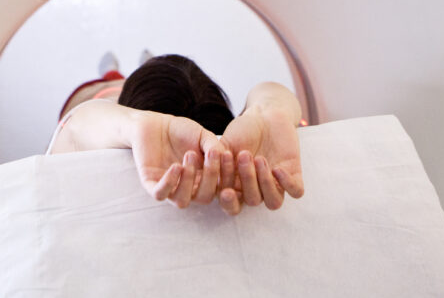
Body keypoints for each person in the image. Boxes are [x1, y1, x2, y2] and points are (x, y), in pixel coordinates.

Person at [48, 54, 305, 216]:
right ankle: (115, 73)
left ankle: (138, 66)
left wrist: (268, 112)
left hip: (130, 108)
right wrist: (135, 123)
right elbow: (75, 126)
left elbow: (268, 92)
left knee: (144, 79)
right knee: (108, 84)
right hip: (107, 100)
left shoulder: (225, 145)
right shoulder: (100, 123)